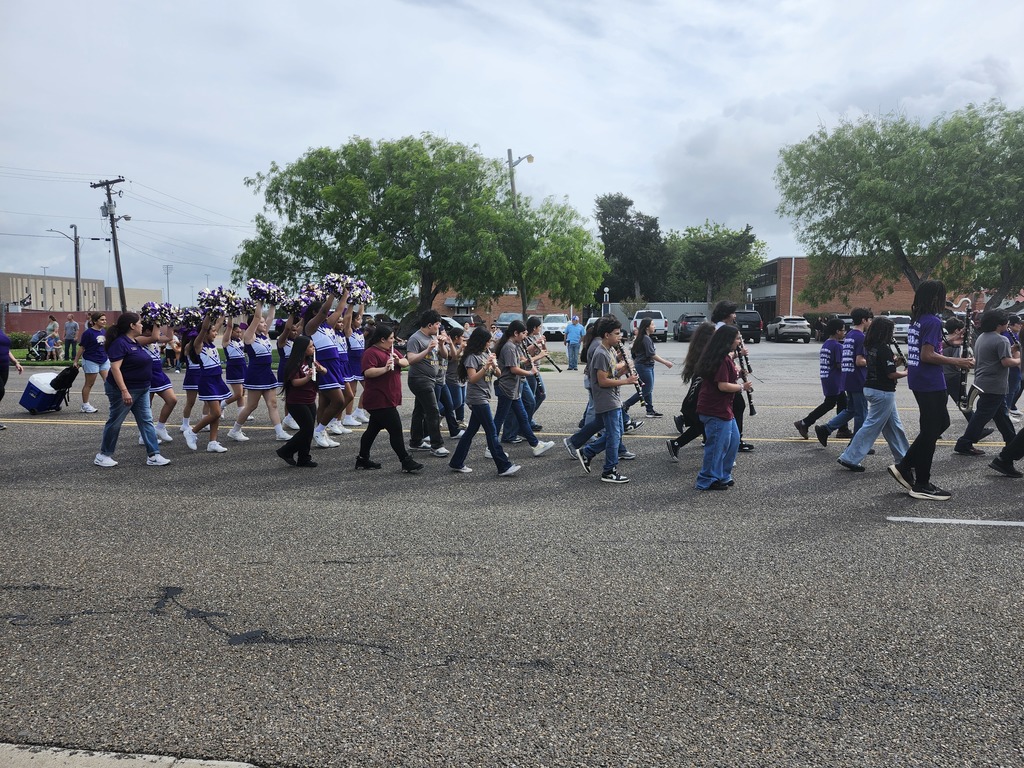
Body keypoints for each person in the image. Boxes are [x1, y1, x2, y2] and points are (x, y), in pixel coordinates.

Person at [889, 279, 974, 500]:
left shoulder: (919, 319)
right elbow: (928, 355)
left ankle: (906, 465)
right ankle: (922, 483)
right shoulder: (933, 321)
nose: (947, 301)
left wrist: (950, 342)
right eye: (943, 296)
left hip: (921, 379)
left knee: (939, 424)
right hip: (929, 381)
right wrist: (958, 362)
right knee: (930, 430)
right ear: (935, 298)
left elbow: (928, 348)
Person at [93, 313, 170, 468]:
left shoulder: (135, 341)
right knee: (115, 421)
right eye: (140, 323)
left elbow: (155, 338)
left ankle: (153, 455)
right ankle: (103, 455)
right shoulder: (120, 343)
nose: (142, 325)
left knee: (146, 421)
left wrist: (158, 320)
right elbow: (115, 368)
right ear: (132, 326)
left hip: (142, 388)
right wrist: (124, 390)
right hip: (124, 389)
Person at [836, 316, 910, 472]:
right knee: (871, 426)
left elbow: (879, 366)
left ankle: (905, 459)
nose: (893, 334)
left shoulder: (870, 346)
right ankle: (849, 457)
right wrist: (906, 372)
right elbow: (891, 374)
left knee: (894, 427)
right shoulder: (884, 349)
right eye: (891, 331)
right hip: (883, 392)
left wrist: (895, 362)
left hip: (871, 388)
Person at [448, 327, 520, 475]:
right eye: (488, 342)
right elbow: (473, 378)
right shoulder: (471, 357)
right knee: (492, 431)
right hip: (477, 398)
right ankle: (503, 466)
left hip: (484, 396)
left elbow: (499, 374)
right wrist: (485, 367)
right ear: (481, 341)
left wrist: (493, 364)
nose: (489, 344)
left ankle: (456, 462)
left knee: (470, 432)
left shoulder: (485, 353)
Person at [356, 323, 424, 473]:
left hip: (389, 398)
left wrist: (398, 361)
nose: (393, 341)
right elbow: (368, 372)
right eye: (391, 338)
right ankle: (405, 460)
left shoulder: (390, 350)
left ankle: (362, 458)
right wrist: (385, 368)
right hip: (379, 399)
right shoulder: (371, 353)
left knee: (372, 430)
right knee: (395, 430)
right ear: (382, 339)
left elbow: (407, 361)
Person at [574, 316, 635, 483]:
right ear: (607, 335)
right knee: (615, 435)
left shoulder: (610, 351)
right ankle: (609, 471)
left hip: (612, 397)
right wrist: (627, 381)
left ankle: (588, 452)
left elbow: (611, 374)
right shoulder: (601, 353)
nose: (620, 336)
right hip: (607, 400)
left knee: (617, 432)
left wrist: (625, 370)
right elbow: (602, 381)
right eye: (617, 334)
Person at [952, 310, 1018, 456]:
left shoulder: (982, 337)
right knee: (982, 416)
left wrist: (1012, 351)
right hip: (994, 384)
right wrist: (1020, 359)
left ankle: (1012, 443)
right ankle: (964, 443)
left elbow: (993, 355)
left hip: (983, 381)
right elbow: (1006, 362)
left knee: (1001, 417)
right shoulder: (1001, 340)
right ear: (1000, 324)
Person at [693, 324, 751, 490]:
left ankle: (723, 475)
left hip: (723, 408)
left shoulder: (724, 357)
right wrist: (742, 387)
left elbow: (726, 377)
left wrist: (739, 373)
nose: (739, 342)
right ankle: (706, 480)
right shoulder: (721, 359)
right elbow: (723, 386)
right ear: (728, 340)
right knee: (717, 446)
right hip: (715, 409)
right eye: (737, 338)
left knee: (733, 441)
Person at [228, 300, 291, 442]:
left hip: (267, 373)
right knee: (251, 406)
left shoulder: (265, 335)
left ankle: (279, 432)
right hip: (256, 374)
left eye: (264, 322)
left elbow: (270, 317)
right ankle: (235, 430)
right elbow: (257, 318)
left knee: (272, 404)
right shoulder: (249, 337)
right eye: (261, 322)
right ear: (254, 324)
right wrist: (260, 300)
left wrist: (273, 301)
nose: (264, 323)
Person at [493, 320, 555, 459]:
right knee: (499, 419)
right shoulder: (509, 347)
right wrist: (530, 372)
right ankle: (491, 447)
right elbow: (513, 369)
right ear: (515, 333)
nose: (524, 336)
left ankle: (535, 445)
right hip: (507, 389)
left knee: (523, 417)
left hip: (513, 390)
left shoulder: (513, 346)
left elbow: (517, 363)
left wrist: (527, 362)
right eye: (522, 333)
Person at [302, 288, 352, 449]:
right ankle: (319, 430)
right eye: (323, 310)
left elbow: (338, 310)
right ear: (315, 312)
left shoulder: (328, 326)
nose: (329, 312)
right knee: (338, 400)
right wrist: (332, 292)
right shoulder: (311, 326)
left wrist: (344, 295)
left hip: (335, 363)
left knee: (325, 402)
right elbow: (325, 311)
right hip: (324, 364)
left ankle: (322, 432)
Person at [815, 308, 872, 446]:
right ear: (864, 320)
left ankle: (826, 429)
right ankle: (857, 444)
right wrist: (874, 361)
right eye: (869, 319)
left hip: (848, 377)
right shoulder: (860, 337)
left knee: (851, 410)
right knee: (861, 413)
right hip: (858, 378)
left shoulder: (850, 335)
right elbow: (859, 361)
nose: (871, 322)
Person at [182, 313, 231, 453]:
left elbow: (219, 323)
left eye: (216, 331)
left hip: (217, 380)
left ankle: (213, 442)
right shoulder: (198, 345)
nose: (216, 333)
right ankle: (192, 432)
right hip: (207, 381)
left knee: (216, 413)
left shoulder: (211, 344)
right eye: (213, 331)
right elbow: (204, 328)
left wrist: (223, 311)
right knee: (215, 413)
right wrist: (209, 313)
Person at [666, 321, 715, 461]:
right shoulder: (705, 353)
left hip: (697, 396)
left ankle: (702, 440)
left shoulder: (701, 349)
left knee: (702, 424)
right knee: (700, 425)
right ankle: (676, 443)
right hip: (697, 397)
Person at [709, 300, 753, 452]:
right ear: (726, 314)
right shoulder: (720, 330)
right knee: (737, 405)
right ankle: (736, 441)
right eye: (733, 313)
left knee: (735, 405)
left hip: (725, 372)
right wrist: (738, 354)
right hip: (720, 375)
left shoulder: (725, 328)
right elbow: (719, 354)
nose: (735, 316)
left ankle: (734, 439)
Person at [275, 335, 324, 468]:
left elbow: (325, 370)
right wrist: (308, 377)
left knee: (308, 429)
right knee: (307, 429)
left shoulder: (310, 360)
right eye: (310, 346)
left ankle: (304, 458)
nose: (313, 348)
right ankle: (285, 451)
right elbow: (295, 383)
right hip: (296, 402)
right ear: (302, 348)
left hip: (310, 400)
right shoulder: (295, 364)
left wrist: (320, 369)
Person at [794, 318, 847, 439]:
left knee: (843, 402)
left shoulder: (826, 344)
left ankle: (843, 428)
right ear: (837, 331)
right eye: (843, 330)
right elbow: (840, 365)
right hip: (835, 379)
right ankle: (804, 423)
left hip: (827, 377)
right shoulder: (837, 346)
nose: (844, 332)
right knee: (829, 404)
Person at [405, 309, 448, 456]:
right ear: (429, 325)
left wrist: (441, 344)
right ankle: (437, 445)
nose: (439, 327)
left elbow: (445, 356)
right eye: (437, 324)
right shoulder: (415, 339)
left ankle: (415, 441)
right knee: (433, 411)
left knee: (420, 411)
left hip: (431, 380)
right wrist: (428, 350)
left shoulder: (433, 337)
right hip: (419, 380)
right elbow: (410, 359)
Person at [630, 316, 674, 418]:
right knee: (646, 390)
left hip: (646, 366)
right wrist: (666, 362)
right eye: (652, 324)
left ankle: (650, 410)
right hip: (644, 366)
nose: (654, 326)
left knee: (648, 389)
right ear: (646, 327)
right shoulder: (645, 338)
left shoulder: (644, 338)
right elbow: (651, 354)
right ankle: (626, 405)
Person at [74, 312, 109, 413]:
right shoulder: (88, 333)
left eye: (105, 319)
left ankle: (114, 402)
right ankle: (85, 405)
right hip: (91, 360)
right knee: (89, 384)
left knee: (109, 382)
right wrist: (76, 360)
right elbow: (82, 347)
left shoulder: (104, 332)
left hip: (103, 360)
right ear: (94, 321)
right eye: (102, 319)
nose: (104, 321)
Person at [221, 321, 247, 419]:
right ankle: (222, 404)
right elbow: (229, 327)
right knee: (238, 394)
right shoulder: (226, 341)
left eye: (240, 332)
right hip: (233, 367)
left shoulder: (239, 340)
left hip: (243, 367)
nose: (239, 334)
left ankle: (242, 413)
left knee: (243, 392)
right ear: (231, 332)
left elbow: (244, 333)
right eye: (237, 332)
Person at [0, 327, 25, 430]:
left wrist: (16, 362)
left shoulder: (1, 331)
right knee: (0, 391)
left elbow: (7, 350)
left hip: (4, 367)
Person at [1004, 315, 1023, 418]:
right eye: (1018, 323)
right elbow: (1015, 353)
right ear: (1010, 324)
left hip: (1015, 367)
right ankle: (1006, 412)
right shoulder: (1009, 335)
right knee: (1011, 390)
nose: (1020, 325)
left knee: (1016, 388)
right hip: (1013, 367)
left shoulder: (1014, 335)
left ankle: (1010, 408)